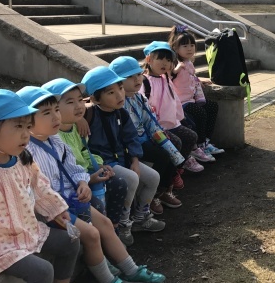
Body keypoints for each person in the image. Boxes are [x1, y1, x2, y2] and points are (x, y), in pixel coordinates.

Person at [16, 86, 165, 283]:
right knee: (92, 235)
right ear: (27, 121)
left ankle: (131, 270)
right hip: (55, 210)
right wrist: (65, 201)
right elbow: (36, 191)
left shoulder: (55, 141)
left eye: (56, 110)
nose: (56, 116)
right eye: (46, 113)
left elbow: (74, 168)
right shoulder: (28, 151)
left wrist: (83, 182)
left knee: (104, 223)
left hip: (74, 199)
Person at [0, 89, 82, 283]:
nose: (26, 134)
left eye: (28, 126)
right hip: (1, 245)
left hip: (29, 230)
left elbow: (41, 188)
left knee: (71, 240)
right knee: (41, 271)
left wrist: (58, 210)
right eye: (18, 127)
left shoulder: (22, 160)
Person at [81, 66, 165, 240]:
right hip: (104, 163)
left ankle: (141, 217)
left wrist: (135, 160)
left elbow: (131, 138)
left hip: (122, 159)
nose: (119, 95)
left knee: (153, 177)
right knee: (132, 178)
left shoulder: (122, 114)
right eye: (110, 93)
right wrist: (80, 118)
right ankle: (124, 224)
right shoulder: (90, 114)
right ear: (96, 98)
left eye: (119, 88)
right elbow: (76, 109)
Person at [42, 78, 128, 238]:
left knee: (118, 184)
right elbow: (63, 171)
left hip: (84, 174)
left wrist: (100, 164)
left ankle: (115, 228)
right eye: (70, 102)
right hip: (74, 184)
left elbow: (84, 151)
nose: (79, 106)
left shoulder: (75, 127)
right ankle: (105, 237)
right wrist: (89, 179)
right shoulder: (54, 136)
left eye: (80, 100)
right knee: (97, 202)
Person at [109, 56, 183, 212]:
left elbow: (150, 120)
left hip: (147, 136)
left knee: (174, 145)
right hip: (134, 143)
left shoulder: (139, 97)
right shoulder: (118, 103)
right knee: (162, 156)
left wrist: (160, 135)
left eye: (138, 74)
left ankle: (164, 189)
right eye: (129, 77)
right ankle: (154, 195)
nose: (137, 79)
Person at [140, 41, 206, 172]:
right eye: (161, 59)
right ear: (149, 60)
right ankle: (171, 172)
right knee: (176, 142)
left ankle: (179, 165)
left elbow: (174, 100)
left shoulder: (166, 78)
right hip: (157, 128)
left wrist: (180, 118)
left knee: (191, 136)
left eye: (169, 60)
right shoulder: (145, 82)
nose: (165, 63)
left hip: (172, 123)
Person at [168, 25, 224, 157]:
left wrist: (199, 80)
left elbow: (190, 76)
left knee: (212, 106)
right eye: (185, 46)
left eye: (192, 45)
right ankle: (200, 144)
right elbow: (168, 77)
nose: (189, 48)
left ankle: (206, 141)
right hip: (181, 103)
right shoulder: (175, 64)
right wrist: (175, 70)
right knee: (200, 113)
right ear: (176, 48)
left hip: (191, 99)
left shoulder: (188, 63)